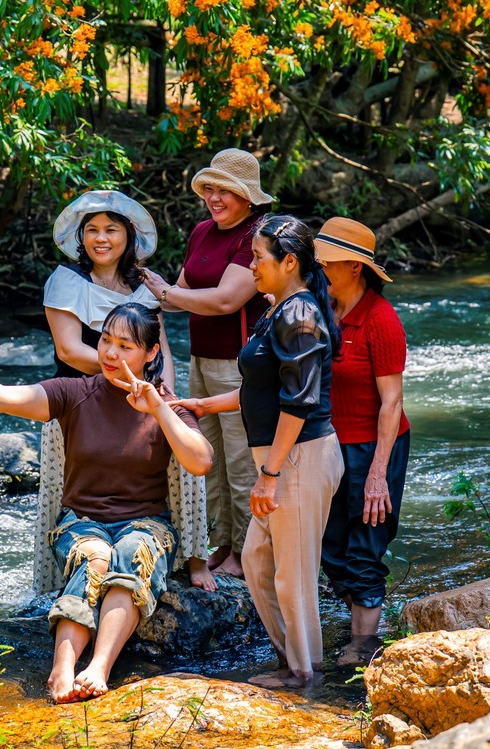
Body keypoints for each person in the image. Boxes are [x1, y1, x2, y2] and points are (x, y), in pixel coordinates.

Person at [0, 304, 213, 704]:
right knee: (96, 557)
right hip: (81, 522)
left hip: (147, 523)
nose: (110, 353)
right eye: (106, 340)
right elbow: (8, 398)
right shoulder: (75, 392)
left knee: (133, 552)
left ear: (151, 353)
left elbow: (200, 461)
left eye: (125, 346)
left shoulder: (168, 406)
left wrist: (158, 408)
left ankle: (99, 668)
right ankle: (62, 669)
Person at [173, 216, 344, 688]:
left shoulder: (299, 315)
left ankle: (304, 675)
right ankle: (294, 661)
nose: (250, 266)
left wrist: (269, 475)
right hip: (284, 457)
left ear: (289, 263)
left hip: (299, 458)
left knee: (292, 575)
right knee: (256, 561)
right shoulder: (278, 309)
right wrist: (202, 404)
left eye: (257, 257)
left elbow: (299, 403)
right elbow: (260, 387)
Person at [40, 190, 211, 591]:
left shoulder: (143, 284)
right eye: (92, 230)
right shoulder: (65, 280)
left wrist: (165, 398)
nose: (101, 238)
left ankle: (193, 558)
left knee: (183, 473)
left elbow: (161, 349)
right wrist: (130, 375)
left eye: (111, 230)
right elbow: (69, 350)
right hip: (83, 405)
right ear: (80, 237)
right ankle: (73, 572)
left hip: (146, 400)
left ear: (128, 236)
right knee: (73, 492)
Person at [142, 148, 272, 584]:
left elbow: (225, 300)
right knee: (207, 458)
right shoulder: (202, 231)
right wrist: (141, 290)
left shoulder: (255, 235)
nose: (214, 198)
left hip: (240, 363)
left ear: (247, 197)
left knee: (241, 460)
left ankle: (245, 550)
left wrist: (164, 293)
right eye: (209, 190)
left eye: (225, 191)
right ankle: (221, 542)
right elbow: (179, 294)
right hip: (201, 359)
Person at [314, 216, 410, 667]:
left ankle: (362, 646)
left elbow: (392, 403)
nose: (318, 269)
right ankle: (364, 620)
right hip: (328, 444)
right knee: (329, 546)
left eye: (326, 262)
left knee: (365, 544)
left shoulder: (380, 319)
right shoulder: (322, 310)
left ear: (355, 267)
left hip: (375, 447)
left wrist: (378, 475)